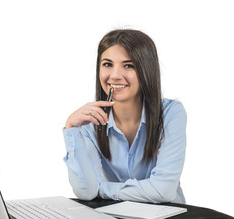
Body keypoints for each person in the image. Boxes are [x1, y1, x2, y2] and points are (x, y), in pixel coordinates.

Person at [62, 29, 187, 204]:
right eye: (107, 64)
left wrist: (102, 189)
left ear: (146, 70)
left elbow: (163, 190)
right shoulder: (91, 121)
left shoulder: (171, 113)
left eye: (128, 65)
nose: (115, 75)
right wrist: (72, 129)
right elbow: (86, 191)